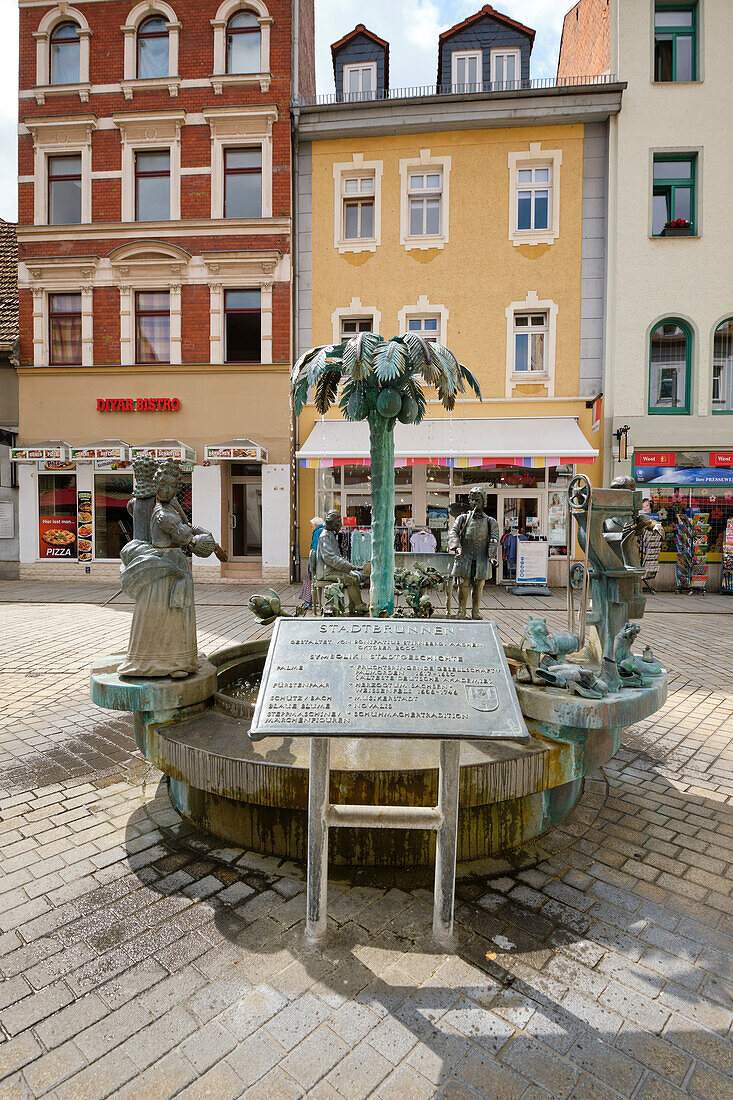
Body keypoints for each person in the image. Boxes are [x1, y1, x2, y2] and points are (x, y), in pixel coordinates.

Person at [118, 460, 224, 679]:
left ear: (176, 489)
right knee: (162, 612)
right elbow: (184, 536)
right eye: (162, 487)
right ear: (155, 486)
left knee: (174, 614)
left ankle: (179, 659)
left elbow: (189, 526)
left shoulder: (172, 505)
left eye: (171, 487)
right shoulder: (161, 513)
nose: (166, 491)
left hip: (174, 563)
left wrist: (210, 539)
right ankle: (157, 661)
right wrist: (206, 545)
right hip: (164, 566)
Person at [447, 488, 500, 619]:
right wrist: (457, 547)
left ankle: (476, 611)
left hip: (482, 557)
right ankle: (461, 610)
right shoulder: (462, 518)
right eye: (472, 500)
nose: (474, 502)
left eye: (477, 500)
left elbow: (494, 538)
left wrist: (492, 556)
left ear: (484, 502)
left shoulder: (490, 521)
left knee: (478, 585)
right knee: (463, 584)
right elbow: (453, 533)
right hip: (464, 556)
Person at [314, 510, 366, 613]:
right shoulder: (325, 536)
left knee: (357, 575)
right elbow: (330, 558)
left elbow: (337, 556)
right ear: (330, 522)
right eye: (338, 521)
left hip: (332, 569)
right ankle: (358, 605)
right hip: (327, 572)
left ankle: (353, 605)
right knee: (353, 577)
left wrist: (351, 566)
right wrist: (350, 566)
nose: (340, 524)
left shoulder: (330, 534)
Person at [300, 515, 323, 607]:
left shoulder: (317, 532)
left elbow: (314, 549)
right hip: (323, 562)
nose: (311, 527)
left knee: (311, 581)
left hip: (317, 562)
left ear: (316, 525)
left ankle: (309, 602)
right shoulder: (324, 531)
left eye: (312, 525)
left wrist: (311, 565)